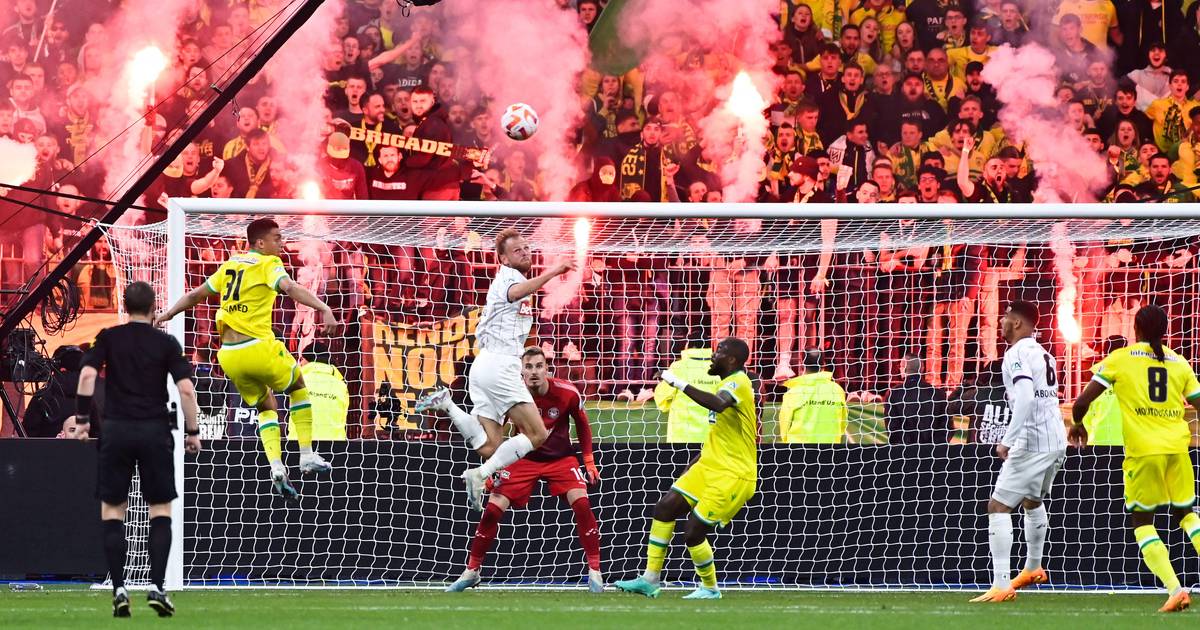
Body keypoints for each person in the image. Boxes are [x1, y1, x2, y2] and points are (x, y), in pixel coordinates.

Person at [154, 218, 338, 502]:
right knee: (299, 385)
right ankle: (305, 455)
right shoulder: (269, 264)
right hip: (258, 347)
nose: (281, 242)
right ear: (260, 243)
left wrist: (167, 314)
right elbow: (289, 288)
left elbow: (195, 294)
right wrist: (324, 307)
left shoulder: (230, 265)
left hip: (229, 356)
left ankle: (276, 466)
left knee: (267, 403)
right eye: (276, 238)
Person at [414, 228, 575, 511]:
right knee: (537, 435)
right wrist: (553, 272)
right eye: (517, 251)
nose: (525, 253)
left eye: (526, 248)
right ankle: (480, 476)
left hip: (485, 365)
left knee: (490, 446)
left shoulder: (511, 277)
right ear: (503, 259)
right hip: (500, 365)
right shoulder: (510, 278)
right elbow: (516, 293)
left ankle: (448, 405)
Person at [74, 282, 200, 617]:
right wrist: (193, 431)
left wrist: (84, 420)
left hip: (116, 431)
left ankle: (119, 589)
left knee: (114, 511)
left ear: (124, 305)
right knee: (160, 510)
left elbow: (87, 377)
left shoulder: (109, 337)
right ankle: (157, 586)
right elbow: (186, 391)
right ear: (154, 306)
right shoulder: (166, 343)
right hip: (155, 431)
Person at [1070, 305, 1200, 613]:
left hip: (1143, 452)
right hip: (1178, 449)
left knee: (1142, 521)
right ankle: (1176, 587)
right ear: (1165, 331)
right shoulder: (1179, 362)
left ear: (1136, 330)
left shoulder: (1121, 358)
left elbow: (1083, 401)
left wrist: (1077, 424)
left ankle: (1174, 588)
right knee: (1187, 515)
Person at [444, 347, 603, 592]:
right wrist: (494, 468)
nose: (534, 372)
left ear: (547, 369)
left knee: (582, 505)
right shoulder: (511, 395)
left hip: (561, 458)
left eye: (538, 366)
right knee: (493, 510)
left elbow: (583, 425)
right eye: (528, 367)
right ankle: (471, 571)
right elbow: (497, 434)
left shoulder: (567, 392)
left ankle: (595, 573)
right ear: (521, 372)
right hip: (522, 458)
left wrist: (589, 461)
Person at [615, 337, 756, 600]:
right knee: (665, 507)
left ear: (732, 360)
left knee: (692, 531)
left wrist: (676, 382)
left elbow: (717, 404)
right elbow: (720, 433)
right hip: (708, 466)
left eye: (720, 351)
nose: (714, 355)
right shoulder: (725, 382)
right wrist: (693, 465)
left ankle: (710, 588)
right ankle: (650, 579)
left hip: (734, 474)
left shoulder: (739, 382)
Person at [971, 301, 1067, 604]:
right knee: (1031, 499)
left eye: (1006, 318)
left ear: (1017, 324)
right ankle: (1033, 567)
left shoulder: (1015, 354)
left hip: (1032, 441)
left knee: (998, 506)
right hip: (1055, 440)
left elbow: (1025, 397)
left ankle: (1001, 584)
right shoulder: (1045, 354)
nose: (1001, 322)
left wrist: (1008, 440)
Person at [654, 336, 721, 443]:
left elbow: (661, 400)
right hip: (713, 438)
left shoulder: (678, 367)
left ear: (689, 346)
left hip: (681, 437)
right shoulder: (719, 368)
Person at [779, 349, 848, 443]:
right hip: (830, 450)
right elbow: (843, 423)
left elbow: (784, 427)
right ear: (823, 364)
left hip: (799, 451)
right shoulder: (837, 390)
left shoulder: (794, 392)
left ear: (802, 364)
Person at [290, 342, 349, 441]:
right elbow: (342, 417)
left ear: (309, 359)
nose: (299, 363)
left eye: (301, 359)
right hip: (334, 447)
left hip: (299, 445)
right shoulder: (341, 385)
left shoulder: (297, 382)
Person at [1080, 335, 1127, 446]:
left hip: (1098, 444)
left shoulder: (1091, 388)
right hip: (1127, 445)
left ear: (1104, 354)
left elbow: (1085, 419)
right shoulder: (1135, 384)